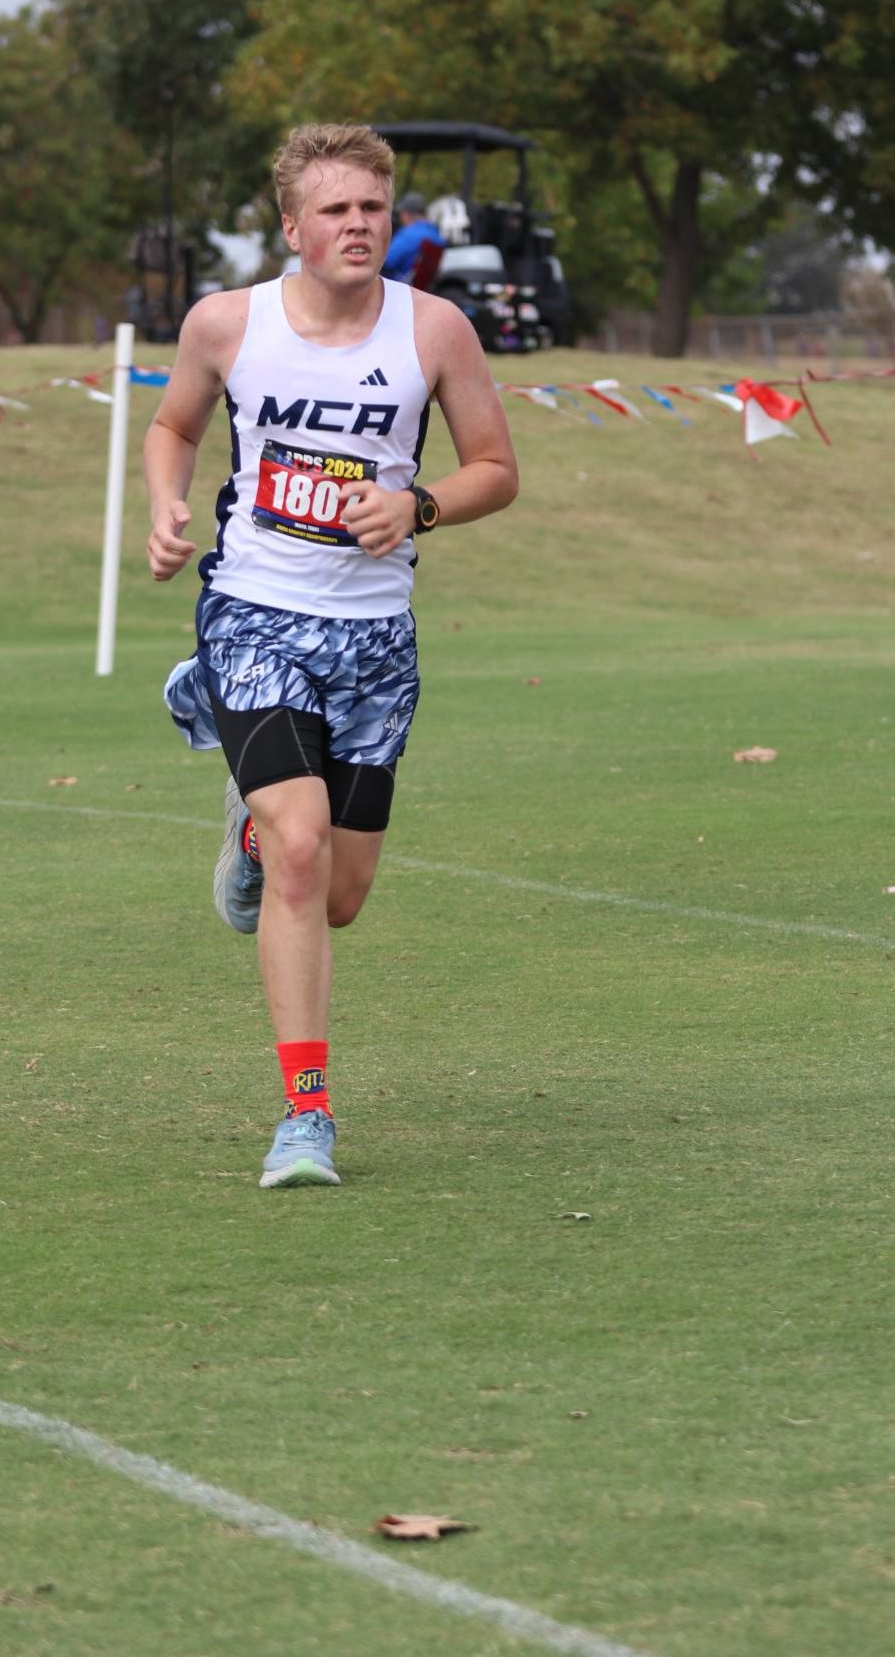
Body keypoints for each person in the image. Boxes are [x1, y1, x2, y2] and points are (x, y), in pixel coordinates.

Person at [144, 123, 518, 1189]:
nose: (358, 225)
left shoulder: (435, 330)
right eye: (336, 210)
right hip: (255, 611)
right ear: (292, 227)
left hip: (373, 641)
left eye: (372, 207)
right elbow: (171, 427)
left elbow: (495, 467)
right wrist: (166, 506)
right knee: (302, 844)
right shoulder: (227, 324)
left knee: (337, 893)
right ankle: (303, 1117)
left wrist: (418, 505)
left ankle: (251, 832)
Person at [382, 190, 445, 283]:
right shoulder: (436, 235)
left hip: (399, 286)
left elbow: (387, 262)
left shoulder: (408, 234)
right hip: (422, 289)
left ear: (407, 214)